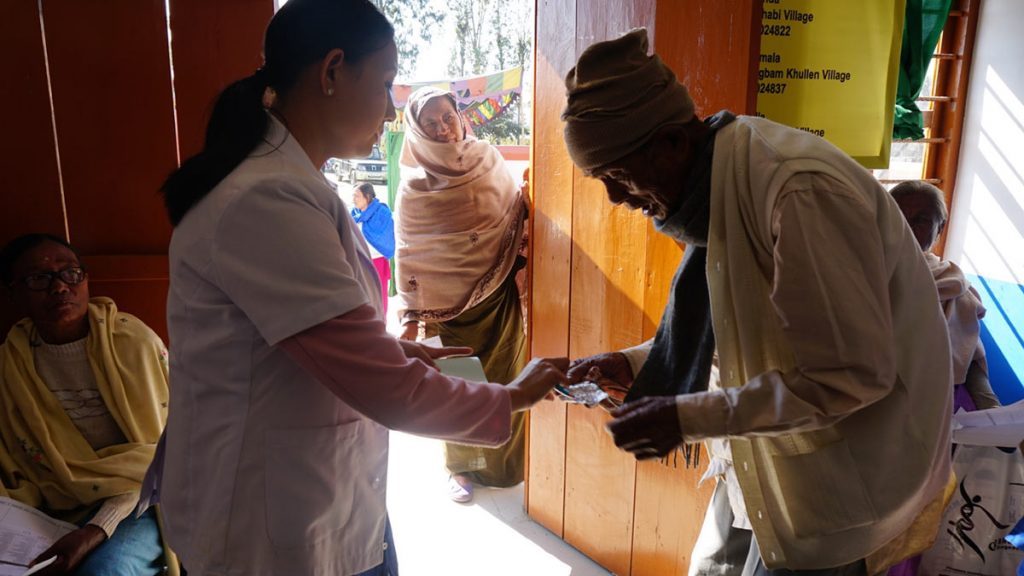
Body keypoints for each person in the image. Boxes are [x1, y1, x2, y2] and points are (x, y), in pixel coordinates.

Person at [151, 1, 566, 575]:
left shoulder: (296, 187)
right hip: (267, 518)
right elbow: (385, 388)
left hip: (319, 491)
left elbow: (299, 334)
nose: (392, 109)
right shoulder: (265, 199)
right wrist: (513, 395)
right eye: (388, 83)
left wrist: (388, 348)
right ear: (332, 72)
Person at [562, 29, 952, 575]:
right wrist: (630, 364)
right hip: (762, 456)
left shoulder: (795, 193)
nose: (618, 199)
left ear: (671, 142)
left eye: (618, 176)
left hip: (843, 484)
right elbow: (737, 327)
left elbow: (850, 376)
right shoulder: (720, 187)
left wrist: (685, 416)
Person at [0, 234, 175, 576]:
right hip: (53, 509)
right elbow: (12, 465)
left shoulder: (134, 344)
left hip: (141, 503)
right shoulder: (10, 365)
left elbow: (163, 460)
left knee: (104, 572)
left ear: (85, 278)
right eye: (39, 279)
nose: (60, 288)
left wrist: (97, 529)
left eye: (70, 273)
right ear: (14, 292)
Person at [395, 86, 529, 503]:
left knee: (508, 381)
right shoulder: (413, 187)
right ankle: (462, 469)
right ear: (417, 132)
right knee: (459, 391)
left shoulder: (487, 159)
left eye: (447, 118)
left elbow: (513, 212)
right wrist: (412, 317)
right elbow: (409, 252)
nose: (443, 129)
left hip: (498, 298)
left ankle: (508, 467)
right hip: (446, 310)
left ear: (461, 117)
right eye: (431, 124)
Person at [891, 180, 999, 412]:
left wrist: (991, 409)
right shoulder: (864, 277)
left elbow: (967, 353)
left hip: (944, 403)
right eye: (898, 216)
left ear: (939, 229)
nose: (907, 226)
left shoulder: (953, 283)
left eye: (920, 220)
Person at [351, 182, 395, 314]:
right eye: (353, 196)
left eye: (357, 196)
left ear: (367, 197)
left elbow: (385, 238)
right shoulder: (354, 214)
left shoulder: (382, 213)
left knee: (379, 296)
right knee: (362, 297)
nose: (353, 199)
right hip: (359, 261)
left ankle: (380, 325)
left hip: (377, 261)